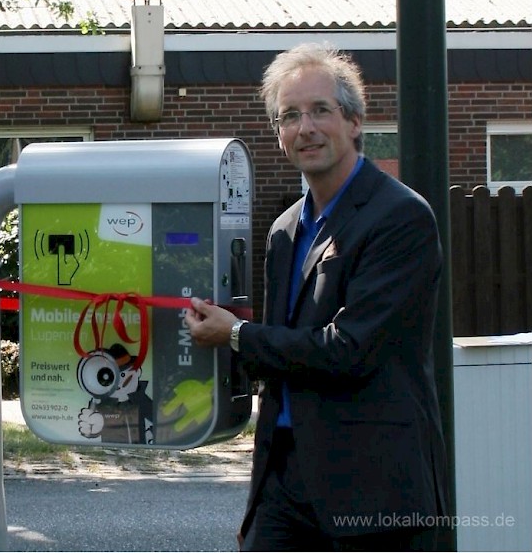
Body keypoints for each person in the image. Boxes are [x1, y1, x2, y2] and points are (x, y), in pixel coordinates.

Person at [185, 43, 449, 551]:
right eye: (289, 116)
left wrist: (236, 334)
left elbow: (350, 350)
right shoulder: (284, 230)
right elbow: (282, 355)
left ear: (353, 121)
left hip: (371, 493)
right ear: (279, 136)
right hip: (284, 484)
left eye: (320, 111)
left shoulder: (401, 218)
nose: (305, 128)